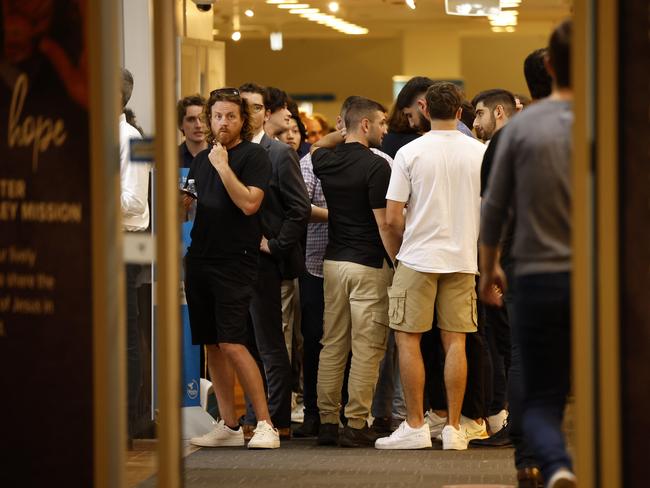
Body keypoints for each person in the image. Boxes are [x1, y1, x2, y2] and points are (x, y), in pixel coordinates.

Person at [479, 20, 576, 488]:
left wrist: (487, 267)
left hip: (531, 268)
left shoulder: (518, 132)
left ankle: (539, 462)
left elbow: (493, 209)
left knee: (531, 373)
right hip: (598, 273)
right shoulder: (617, 118)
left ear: (550, 66)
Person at [375, 81, 486, 451]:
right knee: (456, 340)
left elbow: (391, 218)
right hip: (463, 257)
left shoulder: (409, 151)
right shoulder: (479, 152)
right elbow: (491, 210)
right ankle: (454, 428)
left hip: (417, 256)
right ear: (460, 112)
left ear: (424, 110)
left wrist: (398, 256)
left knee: (409, 340)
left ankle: (416, 424)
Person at [470, 47, 553, 488]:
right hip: (582, 260)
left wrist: (490, 266)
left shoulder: (508, 136)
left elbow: (492, 209)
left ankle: (530, 458)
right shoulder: (592, 119)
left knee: (525, 357)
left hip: (523, 259)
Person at [185, 87, 279, 449]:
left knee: (234, 343)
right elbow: (189, 205)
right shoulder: (200, 158)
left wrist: (223, 167)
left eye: (230, 116)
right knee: (212, 344)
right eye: (217, 116)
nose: (223, 122)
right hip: (201, 257)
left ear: (243, 119)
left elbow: (249, 204)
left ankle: (266, 423)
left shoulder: (253, 156)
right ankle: (229, 424)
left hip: (235, 260)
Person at [311, 97, 393, 448]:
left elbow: (317, 145)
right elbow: (384, 224)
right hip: (368, 265)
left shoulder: (326, 161)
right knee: (367, 347)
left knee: (332, 344)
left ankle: (328, 421)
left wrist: (338, 131)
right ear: (365, 125)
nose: (385, 130)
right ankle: (356, 423)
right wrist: (399, 262)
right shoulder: (378, 167)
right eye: (381, 123)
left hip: (334, 263)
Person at [238, 82, 311, 440]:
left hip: (267, 263)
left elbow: (299, 209)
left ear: (266, 113)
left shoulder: (279, 153)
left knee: (270, 343)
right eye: (242, 107)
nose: (246, 114)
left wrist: (276, 245)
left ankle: (277, 419)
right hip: (234, 261)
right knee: (245, 343)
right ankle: (253, 415)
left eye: (253, 107)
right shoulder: (229, 152)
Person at [471, 88, 517, 436]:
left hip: (509, 257)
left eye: (480, 114)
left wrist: (491, 263)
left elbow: (494, 208)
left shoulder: (500, 148)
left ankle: (512, 425)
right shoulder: (524, 141)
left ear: (498, 112)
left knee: (508, 344)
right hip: (528, 254)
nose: (475, 123)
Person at [119, 68, 150, 441]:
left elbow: (135, 203)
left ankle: (128, 421)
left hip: (123, 246)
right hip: (89, 246)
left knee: (125, 336)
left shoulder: (136, 139)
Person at [177, 94, 208, 168]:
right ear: (181, 124)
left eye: (202, 119)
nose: (198, 125)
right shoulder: (172, 158)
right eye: (191, 119)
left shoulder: (220, 156)